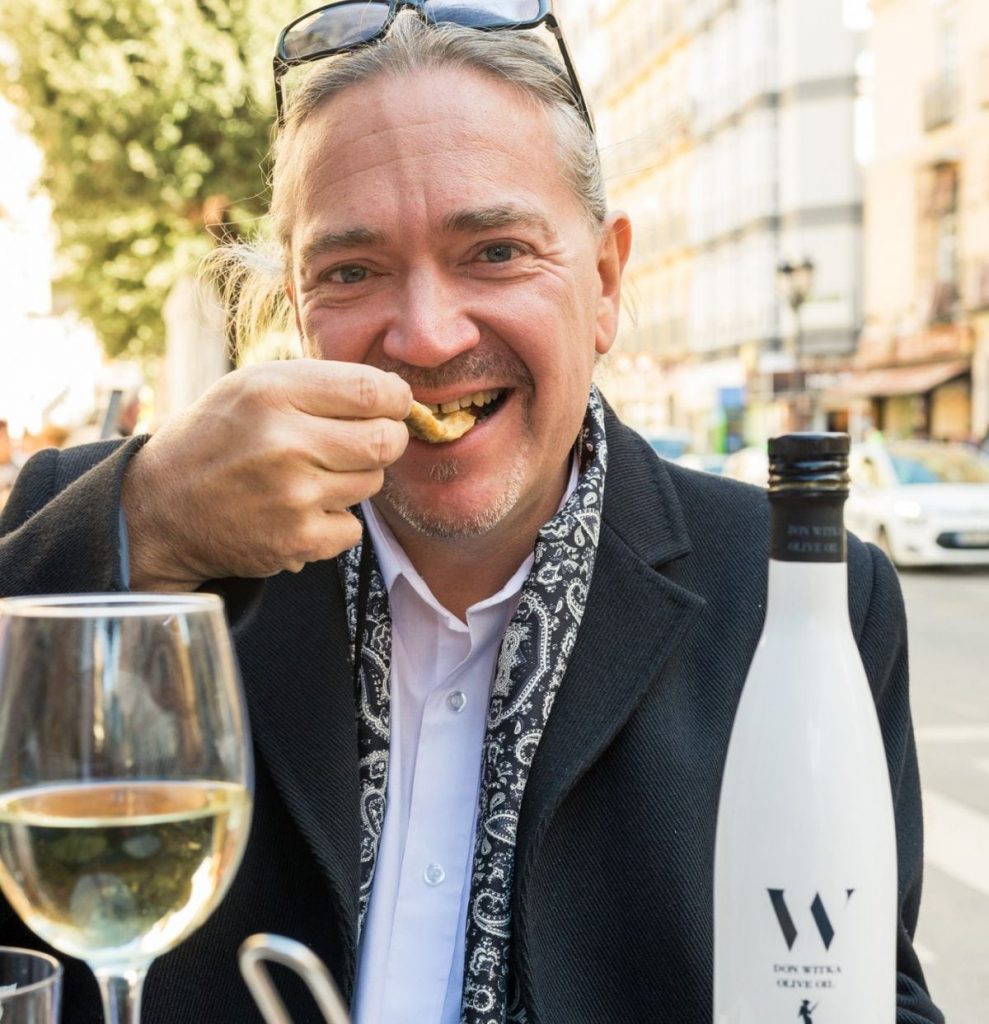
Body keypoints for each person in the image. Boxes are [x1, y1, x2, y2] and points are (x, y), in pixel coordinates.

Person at [0, 6, 943, 1024]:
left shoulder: (798, 596)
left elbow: (862, 990)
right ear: (298, 306)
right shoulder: (122, 528)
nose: (427, 335)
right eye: (351, 271)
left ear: (604, 284)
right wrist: (146, 524)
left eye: (494, 251)